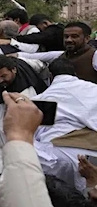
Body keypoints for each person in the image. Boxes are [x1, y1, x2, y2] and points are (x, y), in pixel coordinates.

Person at [31, 58, 97, 191]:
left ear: (51, 76)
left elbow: (31, 133)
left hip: (61, 154)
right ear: (75, 74)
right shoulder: (94, 89)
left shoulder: (40, 100)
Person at [17, 22, 97, 84]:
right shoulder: (61, 56)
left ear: (87, 38)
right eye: (66, 36)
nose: (68, 40)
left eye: (74, 36)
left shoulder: (94, 56)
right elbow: (34, 56)